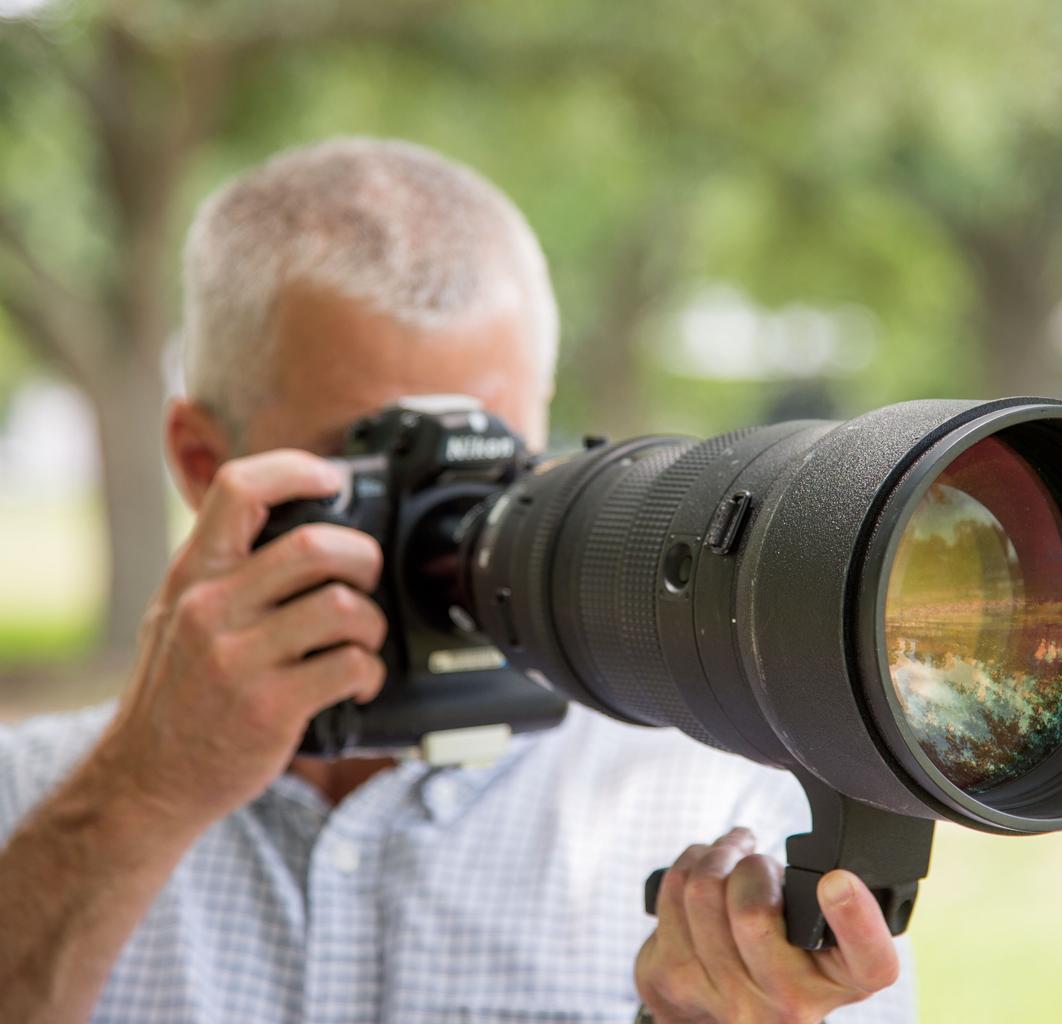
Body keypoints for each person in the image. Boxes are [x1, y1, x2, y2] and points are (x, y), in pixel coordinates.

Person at [0, 138, 915, 1023]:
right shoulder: (35, 801)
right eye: (382, 463)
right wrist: (142, 793)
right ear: (206, 466)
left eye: (491, 468)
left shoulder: (730, 817)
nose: (454, 531)